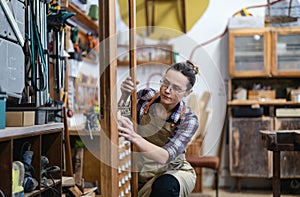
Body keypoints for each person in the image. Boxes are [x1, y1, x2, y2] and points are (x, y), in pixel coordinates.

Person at [118, 60, 199, 197]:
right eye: (165, 83)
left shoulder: (188, 119)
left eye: (176, 88)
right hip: (143, 170)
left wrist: (133, 137)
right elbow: (122, 119)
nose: (167, 90)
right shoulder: (145, 97)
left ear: (187, 93)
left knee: (164, 187)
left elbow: (164, 156)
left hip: (173, 171)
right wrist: (124, 96)